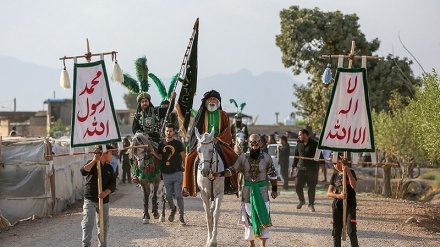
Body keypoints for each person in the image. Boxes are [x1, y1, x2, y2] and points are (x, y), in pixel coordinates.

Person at [219, 134, 278, 247]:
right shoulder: (243, 157)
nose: (254, 146)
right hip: (247, 193)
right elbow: (232, 170)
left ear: (261, 143)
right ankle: (251, 244)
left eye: (257, 143)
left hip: (262, 193)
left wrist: (274, 190)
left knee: (263, 218)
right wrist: (220, 174)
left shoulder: (267, 158)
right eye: (252, 143)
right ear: (248, 143)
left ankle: (263, 245)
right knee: (249, 221)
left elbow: (273, 176)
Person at [182, 90, 239, 197]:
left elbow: (227, 131)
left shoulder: (223, 115)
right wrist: (202, 140)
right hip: (203, 142)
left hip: (218, 141)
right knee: (189, 158)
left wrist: (218, 139)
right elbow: (195, 131)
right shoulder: (201, 115)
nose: (212, 101)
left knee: (234, 157)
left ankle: (232, 185)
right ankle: (188, 186)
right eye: (210, 99)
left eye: (214, 99)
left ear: (218, 102)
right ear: (206, 102)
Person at [80, 144, 116, 247]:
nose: (112, 156)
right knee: (87, 222)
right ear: (104, 153)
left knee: (103, 224)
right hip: (90, 199)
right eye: (110, 153)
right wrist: (94, 161)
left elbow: (113, 184)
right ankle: (86, 244)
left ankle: (103, 244)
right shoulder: (91, 164)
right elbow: (83, 172)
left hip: (104, 201)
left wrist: (106, 192)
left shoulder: (109, 168)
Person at [150, 123, 187, 225]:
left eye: (170, 131)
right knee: (168, 196)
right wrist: (154, 153)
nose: (169, 133)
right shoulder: (161, 145)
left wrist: (184, 168)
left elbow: (184, 157)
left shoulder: (178, 144)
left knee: (179, 195)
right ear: (165, 132)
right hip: (166, 174)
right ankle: (173, 209)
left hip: (177, 172)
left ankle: (181, 216)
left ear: (174, 132)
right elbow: (161, 157)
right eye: (167, 131)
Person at [327, 154, 359, 247]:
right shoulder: (335, 175)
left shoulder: (351, 172)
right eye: (334, 163)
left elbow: (354, 186)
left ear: (342, 161)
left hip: (350, 204)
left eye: (338, 162)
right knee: (336, 231)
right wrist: (339, 196)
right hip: (338, 205)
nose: (336, 165)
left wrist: (348, 172)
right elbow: (329, 192)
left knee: (351, 230)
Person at [289, 128, 324, 212]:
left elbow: (320, 155)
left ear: (305, 135)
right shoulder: (299, 144)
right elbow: (296, 156)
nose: (299, 137)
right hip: (300, 169)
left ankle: (311, 204)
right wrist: (292, 168)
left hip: (312, 169)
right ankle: (301, 200)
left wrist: (323, 165)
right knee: (297, 186)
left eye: (300, 135)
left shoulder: (315, 144)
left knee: (311, 187)